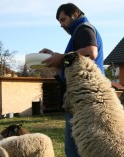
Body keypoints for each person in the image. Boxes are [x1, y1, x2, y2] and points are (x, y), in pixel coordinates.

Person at [39, 3, 104, 157]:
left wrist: (60, 58)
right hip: (81, 98)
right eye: (60, 22)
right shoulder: (78, 33)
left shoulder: (83, 28)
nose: (62, 25)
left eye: (63, 20)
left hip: (84, 98)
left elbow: (90, 53)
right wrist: (55, 59)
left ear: (75, 13)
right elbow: (73, 62)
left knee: (74, 150)